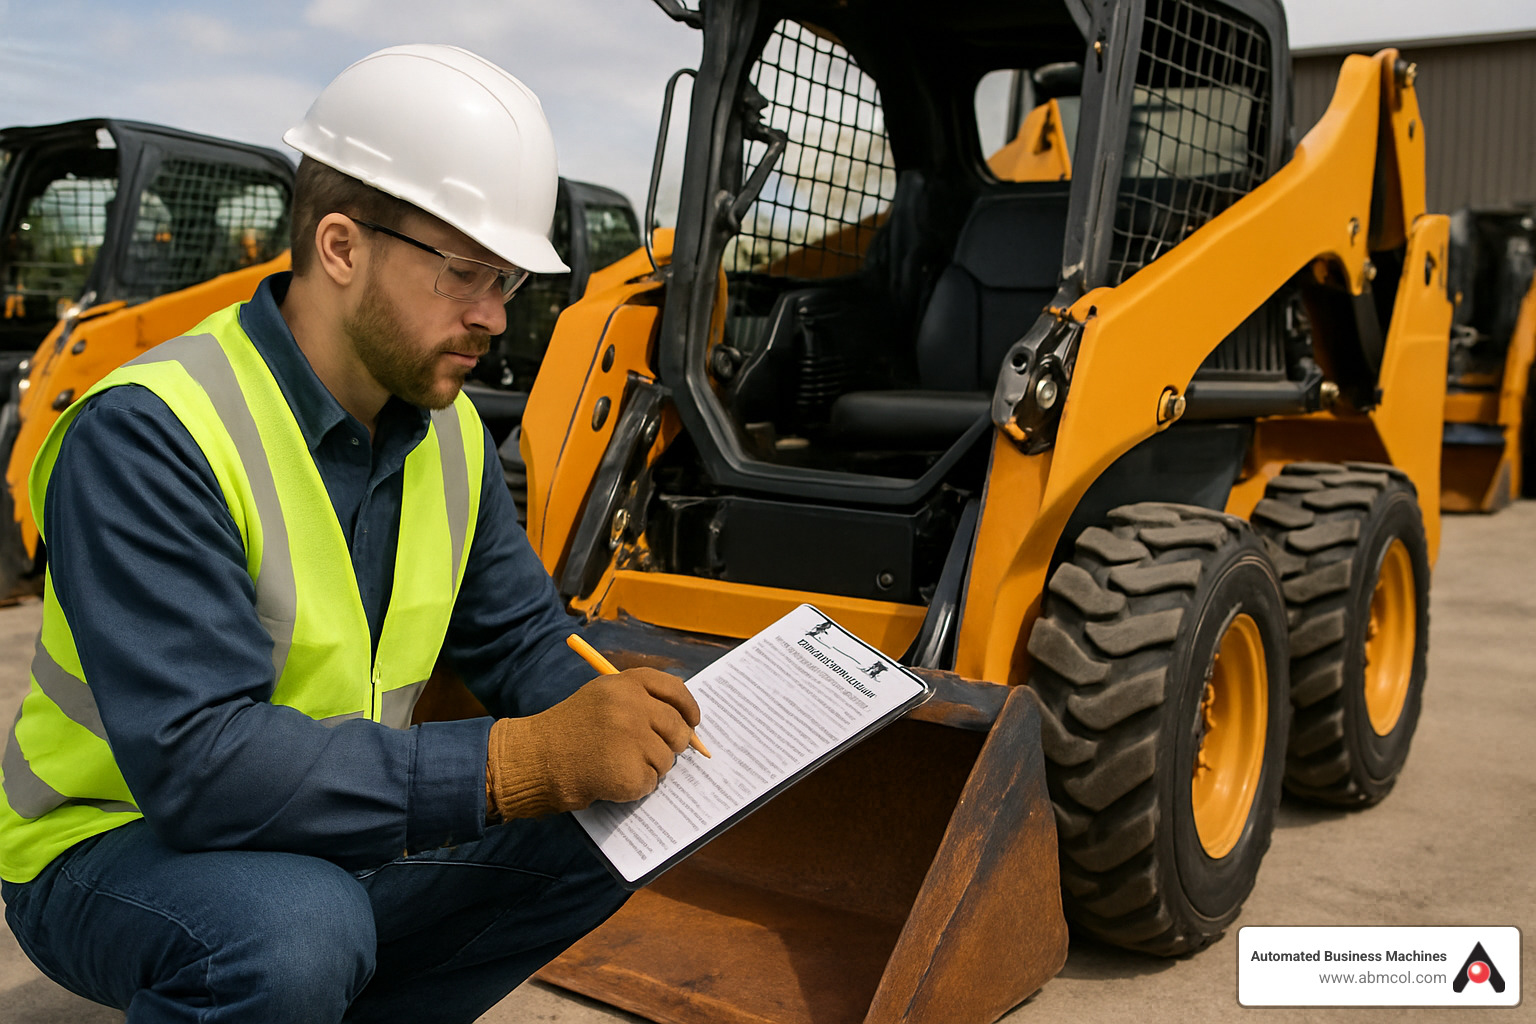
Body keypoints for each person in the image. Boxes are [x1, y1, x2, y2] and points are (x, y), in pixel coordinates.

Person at [0, 44, 701, 1023]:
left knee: (618, 824)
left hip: (321, 826)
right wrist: (524, 762)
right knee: (290, 931)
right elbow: (201, 768)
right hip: (109, 840)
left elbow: (520, 640)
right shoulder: (154, 431)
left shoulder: (449, 430)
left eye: (506, 282)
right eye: (466, 273)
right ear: (340, 246)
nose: (494, 315)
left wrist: (629, 732)